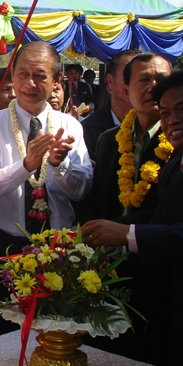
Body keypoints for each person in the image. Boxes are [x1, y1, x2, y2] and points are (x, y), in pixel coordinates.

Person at [0, 41, 93, 339]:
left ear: (57, 80)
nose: (30, 84)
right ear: (12, 76)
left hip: (58, 250)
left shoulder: (70, 126)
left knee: (56, 336)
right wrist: (26, 165)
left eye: (40, 76)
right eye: (23, 74)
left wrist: (59, 164)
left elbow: (81, 191)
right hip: (5, 250)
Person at [82, 69, 182, 365]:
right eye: (166, 113)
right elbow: (161, 220)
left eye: (181, 109)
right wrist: (101, 232)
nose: (173, 120)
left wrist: (127, 235)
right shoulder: (174, 166)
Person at [78, 52, 172, 226]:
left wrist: (124, 231)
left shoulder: (177, 141)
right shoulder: (109, 140)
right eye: (144, 80)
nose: (153, 88)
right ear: (127, 91)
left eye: (161, 80)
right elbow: (96, 200)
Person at [80, 50, 140, 163]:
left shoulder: (161, 127)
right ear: (110, 82)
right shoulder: (87, 130)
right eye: (129, 75)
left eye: (144, 78)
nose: (138, 82)